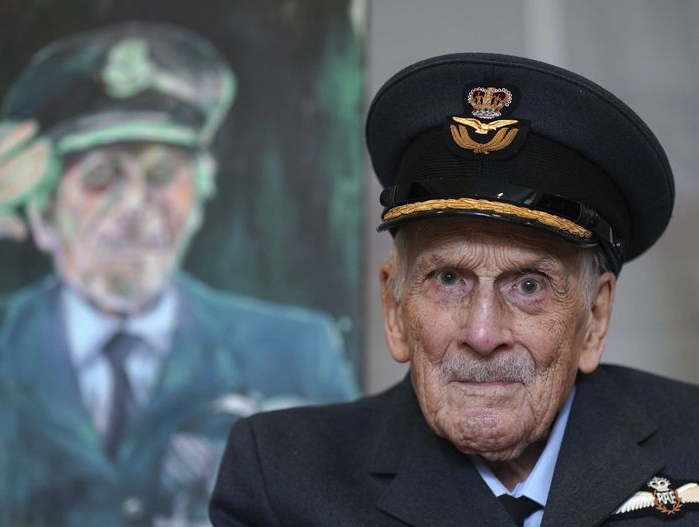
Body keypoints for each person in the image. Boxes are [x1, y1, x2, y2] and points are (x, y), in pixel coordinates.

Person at [209, 53, 699, 526]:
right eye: (448, 279)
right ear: (395, 309)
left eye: (529, 285)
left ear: (595, 317)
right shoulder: (282, 479)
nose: (483, 334)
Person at [0, 22, 357, 527]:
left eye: (162, 175)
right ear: (43, 214)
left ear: (200, 199)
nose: (136, 207)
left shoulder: (293, 350)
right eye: (101, 177)